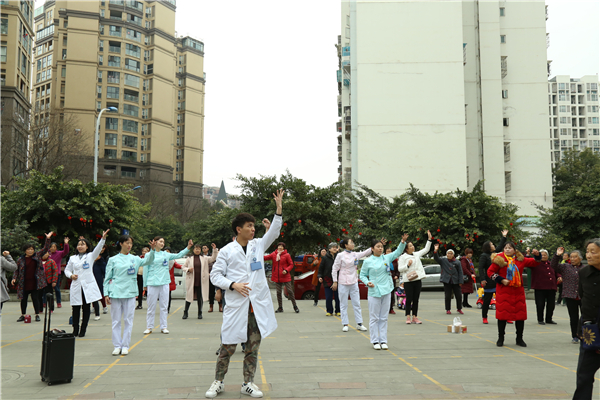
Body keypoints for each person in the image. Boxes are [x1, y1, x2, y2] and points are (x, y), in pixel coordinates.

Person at [206, 189, 284, 399]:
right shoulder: (226, 250)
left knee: (252, 348)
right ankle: (218, 382)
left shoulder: (257, 245)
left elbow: (274, 233)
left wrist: (279, 210)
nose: (253, 229)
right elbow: (215, 275)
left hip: (255, 307)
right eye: (249, 226)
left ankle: (247, 383)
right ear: (238, 229)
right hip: (236, 305)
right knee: (227, 347)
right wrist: (232, 285)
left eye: (254, 226)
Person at [104, 234, 154, 356]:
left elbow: (148, 260)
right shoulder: (113, 260)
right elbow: (107, 278)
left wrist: (152, 250)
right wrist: (106, 293)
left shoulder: (135, 259)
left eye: (131, 243)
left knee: (128, 320)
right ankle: (117, 345)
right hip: (116, 292)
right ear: (121, 244)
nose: (129, 245)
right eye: (127, 243)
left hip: (130, 292)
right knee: (116, 321)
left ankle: (125, 345)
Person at [487, 242, 540, 347]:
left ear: (514, 250)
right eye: (505, 248)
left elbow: (535, 262)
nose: (507, 249)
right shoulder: (499, 260)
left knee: (520, 316)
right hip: (504, 291)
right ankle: (501, 338)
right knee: (502, 316)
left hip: (517, 291)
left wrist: (537, 255)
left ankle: (519, 338)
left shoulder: (520, 259)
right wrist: (501, 280)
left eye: (510, 248)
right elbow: (490, 272)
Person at [360, 235, 407, 350]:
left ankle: (383, 340)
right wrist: (367, 282)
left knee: (384, 317)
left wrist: (402, 242)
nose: (380, 249)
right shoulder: (368, 261)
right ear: (372, 249)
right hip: (374, 291)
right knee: (374, 317)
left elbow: (397, 252)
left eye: (381, 247)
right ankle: (375, 340)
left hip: (386, 289)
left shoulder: (386, 258)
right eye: (378, 247)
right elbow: (362, 275)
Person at [64, 230, 109, 337]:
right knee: (75, 309)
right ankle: (75, 329)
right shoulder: (72, 258)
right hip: (76, 285)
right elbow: (67, 270)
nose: (80, 246)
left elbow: (98, 249)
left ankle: (83, 329)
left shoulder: (90, 256)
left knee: (86, 308)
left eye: (83, 244)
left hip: (86, 286)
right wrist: (71, 275)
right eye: (79, 244)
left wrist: (103, 239)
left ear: (87, 247)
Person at [143, 238, 192, 334]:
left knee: (164, 306)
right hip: (152, 283)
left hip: (165, 282)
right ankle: (149, 327)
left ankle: (163, 326)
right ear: (155, 242)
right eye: (160, 241)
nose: (162, 244)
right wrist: (145, 285)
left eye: (163, 242)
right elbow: (145, 269)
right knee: (151, 306)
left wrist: (188, 247)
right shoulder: (149, 255)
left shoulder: (165, 254)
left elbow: (178, 255)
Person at [573, 238, 600, 399]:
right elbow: (583, 298)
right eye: (587, 251)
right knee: (584, 375)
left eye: (593, 252)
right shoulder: (583, 272)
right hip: (590, 331)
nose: (588, 255)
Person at [332, 238, 373, 332]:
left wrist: (374, 246)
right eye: (351, 243)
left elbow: (365, 252)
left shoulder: (355, 254)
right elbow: (334, 269)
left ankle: (359, 323)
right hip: (343, 282)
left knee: (357, 303)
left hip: (354, 282)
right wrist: (335, 281)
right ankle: (345, 324)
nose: (353, 244)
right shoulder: (340, 255)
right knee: (343, 304)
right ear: (346, 245)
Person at [12, 232, 52, 322]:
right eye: (28, 249)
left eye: (32, 249)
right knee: (23, 300)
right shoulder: (20, 259)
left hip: (35, 282)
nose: (30, 251)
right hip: (24, 283)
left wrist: (48, 239)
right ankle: (22, 314)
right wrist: (14, 278)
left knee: (35, 299)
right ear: (25, 250)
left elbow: (45, 248)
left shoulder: (37, 256)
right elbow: (16, 270)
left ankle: (37, 314)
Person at [398, 230, 433, 325]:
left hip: (417, 279)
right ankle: (408, 317)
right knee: (409, 299)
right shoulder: (403, 257)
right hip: (408, 280)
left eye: (412, 245)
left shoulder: (416, 254)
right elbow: (400, 269)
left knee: (416, 299)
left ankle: (415, 317)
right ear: (406, 249)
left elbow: (426, 250)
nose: (412, 247)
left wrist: (429, 239)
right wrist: (407, 265)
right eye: (410, 246)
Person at [551, 247, 584, 343]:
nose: (573, 259)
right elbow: (553, 265)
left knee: (585, 317)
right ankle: (575, 336)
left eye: (575, 257)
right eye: (571, 257)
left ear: (580, 258)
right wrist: (557, 255)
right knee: (573, 317)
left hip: (584, 296)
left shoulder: (585, 268)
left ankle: (584, 334)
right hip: (570, 296)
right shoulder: (565, 267)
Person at [182, 243, 219, 320]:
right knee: (189, 297)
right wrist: (188, 269)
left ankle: (200, 313)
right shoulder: (189, 258)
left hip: (201, 280)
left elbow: (213, 258)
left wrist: (214, 250)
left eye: (199, 249)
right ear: (193, 250)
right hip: (192, 280)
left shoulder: (204, 258)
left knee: (200, 298)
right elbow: (183, 267)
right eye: (196, 249)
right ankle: (185, 312)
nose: (197, 250)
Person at [479, 231, 508, 324]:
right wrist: (483, 279)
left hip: (497, 280)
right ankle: (484, 317)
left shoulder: (495, 254)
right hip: (488, 281)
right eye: (491, 244)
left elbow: (500, 246)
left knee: (502, 300)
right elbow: (480, 268)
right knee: (487, 300)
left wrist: (504, 236)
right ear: (488, 247)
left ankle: (505, 317)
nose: (493, 245)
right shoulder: (484, 256)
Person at [265, 242, 298, 313]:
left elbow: (291, 264)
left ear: (283, 248)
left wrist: (286, 270)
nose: (280, 247)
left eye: (281, 246)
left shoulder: (287, 255)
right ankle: (280, 308)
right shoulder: (274, 254)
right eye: (279, 246)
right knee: (278, 292)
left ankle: (295, 306)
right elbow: (266, 258)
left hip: (285, 276)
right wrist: (257, 255)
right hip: (277, 276)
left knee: (290, 291)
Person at [531, 249, 560, 325]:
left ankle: (549, 319)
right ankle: (540, 319)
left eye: (545, 255)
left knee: (551, 305)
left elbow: (557, 272)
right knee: (540, 304)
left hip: (551, 287)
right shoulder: (535, 263)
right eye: (542, 255)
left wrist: (559, 276)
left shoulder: (551, 264)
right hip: (540, 287)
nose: (543, 256)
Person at [434, 246, 464, 315]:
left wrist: (460, 281)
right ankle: (448, 309)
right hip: (447, 280)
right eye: (448, 253)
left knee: (458, 295)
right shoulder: (443, 260)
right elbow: (436, 258)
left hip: (455, 280)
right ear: (446, 254)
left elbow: (460, 272)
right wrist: (435, 251)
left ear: (453, 255)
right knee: (448, 296)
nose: (449, 255)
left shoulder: (457, 262)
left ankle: (459, 308)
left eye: (451, 253)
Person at [318, 243, 340, 316]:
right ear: (329, 249)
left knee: (338, 297)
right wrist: (320, 276)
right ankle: (329, 311)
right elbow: (321, 269)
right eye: (333, 247)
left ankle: (338, 310)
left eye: (336, 247)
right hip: (327, 279)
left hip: (338, 279)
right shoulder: (325, 258)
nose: (334, 249)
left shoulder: (339, 257)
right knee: (328, 297)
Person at [47, 237, 70, 309]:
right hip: (47, 274)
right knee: (47, 289)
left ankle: (59, 302)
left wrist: (66, 244)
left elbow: (66, 251)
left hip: (56, 274)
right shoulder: (47, 254)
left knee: (57, 289)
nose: (53, 248)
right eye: (51, 247)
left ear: (56, 248)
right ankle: (45, 303)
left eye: (54, 247)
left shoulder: (59, 253)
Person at [92, 245, 109, 320]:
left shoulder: (102, 262)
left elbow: (105, 272)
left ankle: (104, 306)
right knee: (92, 295)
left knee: (100, 294)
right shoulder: (91, 262)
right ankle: (94, 307)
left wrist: (106, 280)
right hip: (91, 280)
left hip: (99, 280)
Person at [205, 245, 222, 313]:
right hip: (210, 277)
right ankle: (211, 306)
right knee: (211, 293)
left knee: (219, 291)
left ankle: (220, 306)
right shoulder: (210, 259)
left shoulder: (220, 260)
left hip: (218, 277)